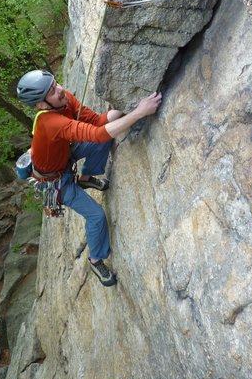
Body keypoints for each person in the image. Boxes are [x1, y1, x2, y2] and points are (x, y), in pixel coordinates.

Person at [17, 69, 162, 287]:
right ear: (41, 104)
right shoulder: (50, 123)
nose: (61, 89)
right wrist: (139, 113)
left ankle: (85, 178)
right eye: (53, 90)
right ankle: (96, 260)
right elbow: (98, 133)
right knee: (96, 216)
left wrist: (128, 105)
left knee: (103, 141)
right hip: (56, 182)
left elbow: (97, 122)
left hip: (64, 159)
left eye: (56, 83)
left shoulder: (65, 101)